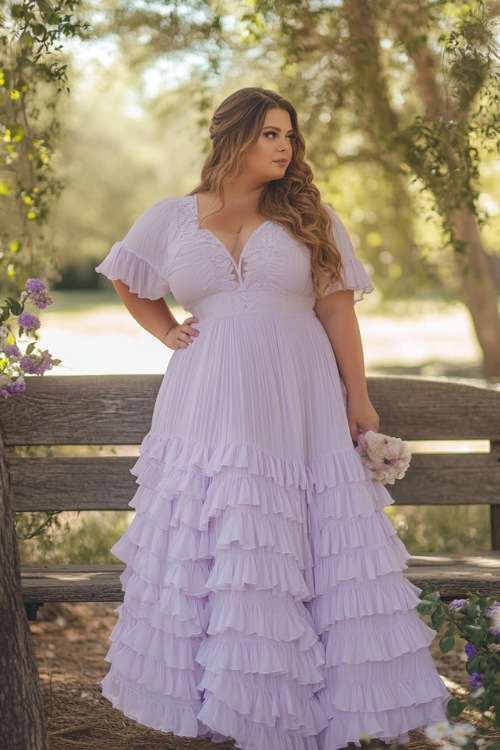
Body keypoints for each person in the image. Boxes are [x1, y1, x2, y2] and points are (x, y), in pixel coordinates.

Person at [96, 87, 449, 750]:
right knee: (226, 538)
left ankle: (304, 709)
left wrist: (359, 398)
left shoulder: (309, 215)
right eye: (271, 134)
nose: (286, 147)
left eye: (290, 135)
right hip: (206, 398)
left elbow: (339, 308)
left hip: (299, 395)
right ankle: (228, 701)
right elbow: (127, 275)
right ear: (233, 136)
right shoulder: (172, 217)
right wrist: (166, 329)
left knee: (302, 539)